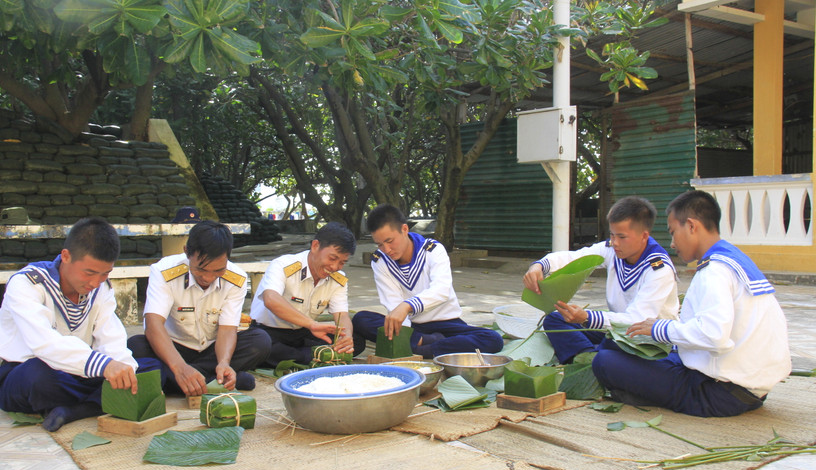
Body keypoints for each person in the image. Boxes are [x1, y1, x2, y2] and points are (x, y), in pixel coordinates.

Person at [596, 190, 791, 417]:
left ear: (691, 226)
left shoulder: (714, 272)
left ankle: (648, 396)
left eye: (673, 232)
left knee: (605, 361)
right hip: (749, 387)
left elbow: (714, 335)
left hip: (719, 393)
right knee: (615, 347)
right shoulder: (732, 258)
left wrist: (660, 328)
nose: (672, 243)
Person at [0, 217, 161, 432]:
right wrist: (106, 367)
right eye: (88, 272)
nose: (94, 282)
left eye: (105, 274)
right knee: (39, 377)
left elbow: (111, 336)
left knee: (149, 369)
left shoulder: (101, 289)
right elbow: (44, 344)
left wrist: (125, 370)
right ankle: (94, 403)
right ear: (66, 256)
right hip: (26, 372)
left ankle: (72, 411)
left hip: (78, 372)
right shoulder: (27, 284)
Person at [523, 196, 679, 364]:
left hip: (648, 340)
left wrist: (587, 317)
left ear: (644, 235)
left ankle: (596, 359)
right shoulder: (612, 250)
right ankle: (589, 358)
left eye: (621, 237)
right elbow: (576, 257)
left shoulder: (659, 269)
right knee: (555, 319)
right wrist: (539, 265)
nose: (615, 242)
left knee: (612, 345)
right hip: (615, 329)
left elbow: (637, 320)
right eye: (612, 235)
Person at [127, 220, 271, 394]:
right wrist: (180, 367)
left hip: (212, 350)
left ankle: (181, 381)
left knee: (260, 341)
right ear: (187, 252)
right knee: (136, 346)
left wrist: (224, 363)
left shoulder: (236, 279)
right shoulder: (164, 271)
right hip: (173, 349)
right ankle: (209, 381)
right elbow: (153, 326)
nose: (208, 278)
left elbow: (227, 329)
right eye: (201, 269)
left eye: (218, 270)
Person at [352, 204, 503, 358]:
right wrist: (404, 335)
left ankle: (422, 350)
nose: (386, 249)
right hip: (413, 327)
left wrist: (407, 305)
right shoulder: (380, 261)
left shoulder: (433, 250)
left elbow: (441, 291)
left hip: (447, 323)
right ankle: (424, 343)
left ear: (404, 230)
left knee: (493, 339)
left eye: (390, 241)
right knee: (361, 319)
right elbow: (392, 303)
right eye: (379, 244)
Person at [249, 222, 360, 366]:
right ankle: (310, 356)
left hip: (303, 333)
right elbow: (270, 299)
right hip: (269, 332)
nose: (334, 267)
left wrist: (346, 337)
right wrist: (312, 324)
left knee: (357, 342)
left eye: (342, 262)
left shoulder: (338, 279)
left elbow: (342, 315)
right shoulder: (283, 265)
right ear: (315, 246)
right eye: (332, 258)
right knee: (257, 346)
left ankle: (303, 356)